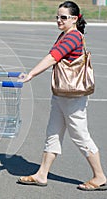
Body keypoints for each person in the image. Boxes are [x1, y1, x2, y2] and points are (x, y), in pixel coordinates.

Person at [17, 1, 106, 191]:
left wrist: (31, 74)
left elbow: (52, 57)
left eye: (63, 17)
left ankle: (99, 176)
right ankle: (42, 174)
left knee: (80, 135)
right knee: (53, 133)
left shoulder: (73, 37)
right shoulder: (64, 34)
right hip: (61, 94)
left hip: (73, 97)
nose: (59, 20)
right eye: (57, 17)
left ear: (74, 19)